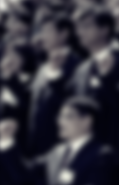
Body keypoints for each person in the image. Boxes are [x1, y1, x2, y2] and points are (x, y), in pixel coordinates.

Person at [71, 8, 119, 147]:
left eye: (86, 26)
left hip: (112, 146)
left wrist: (107, 79)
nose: (80, 33)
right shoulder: (81, 69)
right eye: (78, 28)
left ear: (105, 29)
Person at [26, 16, 79, 159]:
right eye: (42, 31)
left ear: (64, 34)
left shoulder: (77, 66)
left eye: (48, 31)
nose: (42, 37)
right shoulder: (42, 68)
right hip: (36, 149)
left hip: (61, 149)